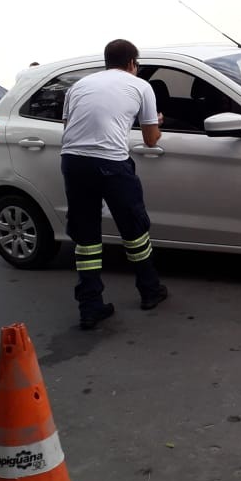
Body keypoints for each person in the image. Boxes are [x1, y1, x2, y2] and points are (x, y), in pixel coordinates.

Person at [60, 38, 169, 329]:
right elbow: (150, 139)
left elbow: (72, 127)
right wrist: (156, 121)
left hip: (73, 161)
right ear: (133, 63)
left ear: (107, 62)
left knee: (86, 237)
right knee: (133, 229)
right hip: (111, 162)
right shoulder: (141, 86)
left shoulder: (78, 86)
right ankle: (149, 290)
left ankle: (90, 307)